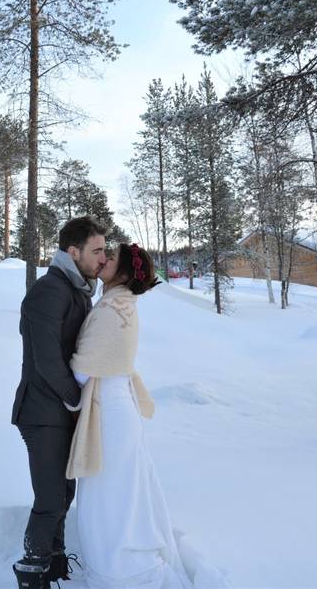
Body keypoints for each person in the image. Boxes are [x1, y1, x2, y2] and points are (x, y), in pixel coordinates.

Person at [67, 243, 192, 589]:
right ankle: (114, 561)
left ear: (122, 273)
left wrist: (63, 390)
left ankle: (122, 569)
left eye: (110, 258)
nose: (102, 260)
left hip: (110, 409)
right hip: (116, 405)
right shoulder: (119, 301)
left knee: (111, 493)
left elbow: (86, 364)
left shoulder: (114, 306)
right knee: (116, 489)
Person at [12, 216, 108, 589]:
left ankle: (54, 564)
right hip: (41, 412)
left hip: (59, 413)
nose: (102, 258)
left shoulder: (76, 291)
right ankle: (31, 571)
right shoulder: (49, 290)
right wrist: (75, 398)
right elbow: (46, 358)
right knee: (50, 498)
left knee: (63, 494)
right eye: (97, 250)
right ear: (74, 251)